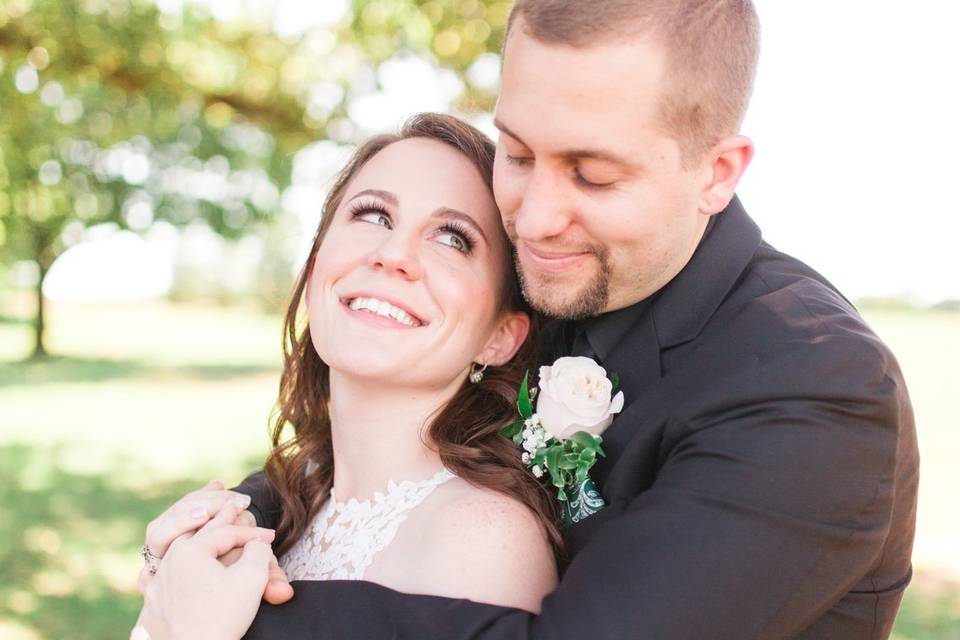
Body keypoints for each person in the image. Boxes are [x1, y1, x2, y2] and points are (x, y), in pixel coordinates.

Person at [143, 1, 920, 638]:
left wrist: (221, 623)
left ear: (715, 172)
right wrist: (234, 524)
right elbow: (382, 445)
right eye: (515, 154)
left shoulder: (814, 387)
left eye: (592, 174)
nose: (535, 218)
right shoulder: (562, 278)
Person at [135, 113, 563, 638]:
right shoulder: (295, 499)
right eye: (375, 216)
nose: (393, 255)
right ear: (316, 268)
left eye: (452, 238)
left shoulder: (483, 542)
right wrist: (164, 584)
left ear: (500, 335)